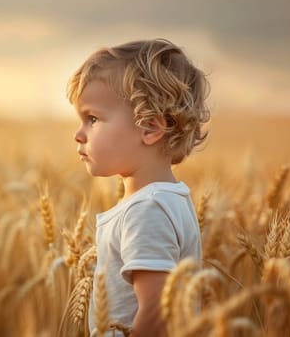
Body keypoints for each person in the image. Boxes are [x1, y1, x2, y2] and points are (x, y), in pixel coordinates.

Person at [67, 38, 210, 336]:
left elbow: (157, 313)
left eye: (92, 119)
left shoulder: (147, 209)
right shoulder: (168, 198)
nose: (78, 135)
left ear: (149, 127)